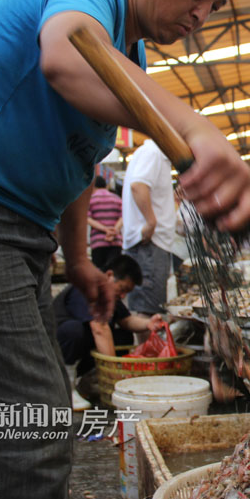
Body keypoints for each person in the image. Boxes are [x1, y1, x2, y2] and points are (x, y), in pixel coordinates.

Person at [0, 0, 250, 499]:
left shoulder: (127, 57)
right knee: (30, 441)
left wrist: (79, 258)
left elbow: (79, 160)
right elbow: (64, 56)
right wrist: (197, 128)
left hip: (12, 230)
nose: (200, 15)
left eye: (214, 8)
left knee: (29, 417)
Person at [55, 255, 163, 408]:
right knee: (73, 330)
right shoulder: (88, 288)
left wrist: (149, 323)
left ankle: (90, 382)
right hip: (57, 348)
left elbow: (126, 320)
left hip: (84, 350)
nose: (123, 296)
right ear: (110, 275)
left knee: (123, 336)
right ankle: (66, 388)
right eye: (122, 289)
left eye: (127, 293)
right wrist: (114, 374)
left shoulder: (111, 295)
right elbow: (99, 328)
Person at [122, 139, 177, 317]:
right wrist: (151, 222)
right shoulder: (153, 153)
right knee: (148, 310)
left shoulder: (150, 154)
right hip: (150, 245)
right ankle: (147, 346)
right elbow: (138, 186)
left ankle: (147, 345)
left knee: (147, 308)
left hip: (151, 245)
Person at [87, 175, 123, 269]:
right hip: (116, 241)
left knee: (99, 272)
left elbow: (88, 219)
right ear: (106, 186)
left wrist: (105, 229)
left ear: (93, 187)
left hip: (98, 241)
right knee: (113, 272)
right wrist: (114, 230)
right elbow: (123, 217)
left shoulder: (91, 200)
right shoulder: (117, 198)